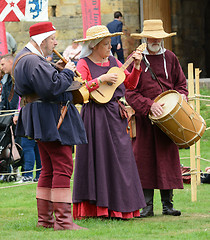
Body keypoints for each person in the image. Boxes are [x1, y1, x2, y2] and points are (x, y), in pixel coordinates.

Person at [13, 22, 87, 230]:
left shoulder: (23, 58)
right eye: (53, 38)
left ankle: (46, 220)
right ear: (43, 40)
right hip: (49, 116)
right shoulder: (33, 60)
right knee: (63, 165)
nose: (55, 42)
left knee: (48, 168)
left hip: (40, 115)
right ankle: (63, 222)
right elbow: (50, 88)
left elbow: (44, 84)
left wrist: (58, 71)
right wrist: (68, 72)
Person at [72, 25, 146, 220]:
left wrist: (136, 67)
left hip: (114, 115)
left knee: (121, 160)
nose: (109, 47)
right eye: (105, 44)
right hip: (93, 117)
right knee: (96, 159)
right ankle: (97, 210)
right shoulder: (83, 63)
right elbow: (80, 89)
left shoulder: (114, 60)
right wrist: (101, 79)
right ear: (95, 46)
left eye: (109, 43)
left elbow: (129, 84)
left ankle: (120, 207)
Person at [125, 19, 188, 217]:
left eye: (158, 37)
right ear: (145, 37)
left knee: (167, 160)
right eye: (151, 37)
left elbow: (181, 84)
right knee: (144, 160)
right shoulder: (135, 59)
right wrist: (149, 106)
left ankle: (167, 205)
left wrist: (179, 98)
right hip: (145, 120)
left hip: (169, 120)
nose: (155, 40)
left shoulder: (171, 58)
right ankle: (147, 206)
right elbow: (129, 92)